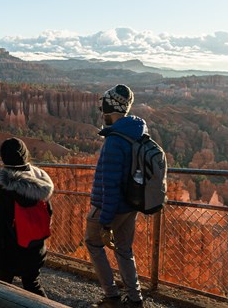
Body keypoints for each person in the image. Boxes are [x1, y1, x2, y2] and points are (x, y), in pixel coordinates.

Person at [86, 84, 145, 307]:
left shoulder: (114, 141)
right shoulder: (136, 134)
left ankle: (111, 296)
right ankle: (135, 298)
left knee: (93, 243)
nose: (102, 114)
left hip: (108, 206)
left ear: (111, 110)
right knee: (124, 250)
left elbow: (109, 185)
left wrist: (105, 221)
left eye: (104, 110)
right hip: (131, 205)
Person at [0, 137, 54, 297]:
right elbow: (48, 214)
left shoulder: (4, 187)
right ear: (25, 155)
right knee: (33, 285)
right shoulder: (41, 180)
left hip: (9, 254)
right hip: (35, 250)